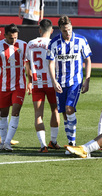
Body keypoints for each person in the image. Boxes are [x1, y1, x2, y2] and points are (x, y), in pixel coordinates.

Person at [47, 15, 92, 148]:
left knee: (69, 108)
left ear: (72, 27)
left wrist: (87, 79)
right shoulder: (54, 43)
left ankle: (72, 142)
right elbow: (50, 63)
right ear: (60, 29)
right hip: (60, 83)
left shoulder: (81, 40)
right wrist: (54, 81)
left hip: (75, 82)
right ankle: (70, 140)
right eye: (65, 30)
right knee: (65, 114)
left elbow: (88, 60)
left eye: (69, 29)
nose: (68, 33)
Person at [0, 24, 27, 152]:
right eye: (10, 38)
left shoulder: (24, 45)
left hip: (19, 85)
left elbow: (29, 64)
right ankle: (2, 142)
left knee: (15, 112)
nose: (13, 40)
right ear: (5, 36)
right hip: (3, 85)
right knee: (3, 114)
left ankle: (7, 143)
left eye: (15, 38)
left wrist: (31, 81)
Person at [25, 19, 60, 153]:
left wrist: (30, 81)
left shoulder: (31, 43)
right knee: (54, 110)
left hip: (37, 82)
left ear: (39, 30)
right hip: (52, 82)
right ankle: (54, 141)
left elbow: (27, 64)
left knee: (38, 114)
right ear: (52, 30)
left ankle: (42, 145)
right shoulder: (53, 43)